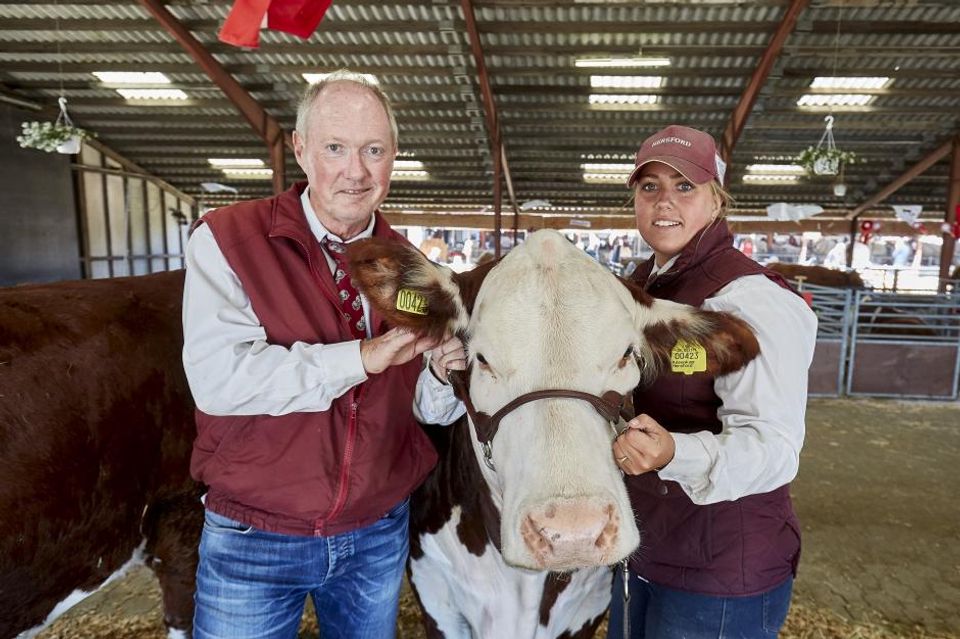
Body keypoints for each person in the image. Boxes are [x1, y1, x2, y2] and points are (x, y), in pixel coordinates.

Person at [181, 70, 465, 639]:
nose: (355, 171)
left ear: (393, 157)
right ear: (301, 148)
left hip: (374, 532)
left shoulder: (412, 268)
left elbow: (429, 413)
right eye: (335, 148)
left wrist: (440, 373)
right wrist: (360, 357)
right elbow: (219, 381)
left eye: (373, 151)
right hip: (254, 534)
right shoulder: (228, 240)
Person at [608, 125, 818, 638]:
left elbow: (774, 448)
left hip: (721, 573)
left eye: (685, 187)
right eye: (649, 186)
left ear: (717, 200)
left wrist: (673, 454)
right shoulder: (639, 287)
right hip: (643, 552)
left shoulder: (751, 300)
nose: (664, 203)